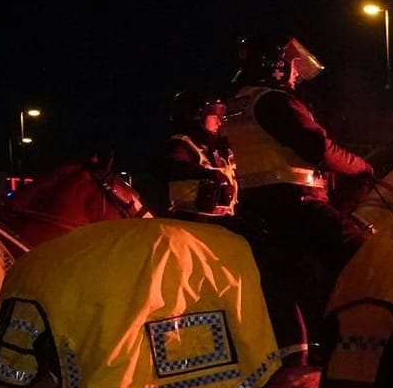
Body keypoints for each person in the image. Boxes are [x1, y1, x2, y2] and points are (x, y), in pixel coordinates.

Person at [225, 35, 375, 335]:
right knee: (363, 253)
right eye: (292, 66)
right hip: (295, 202)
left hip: (254, 206)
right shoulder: (273, 101)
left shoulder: (237, 104)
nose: (295, 74)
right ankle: (354, 331)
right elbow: (319, 148)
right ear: (275, 67)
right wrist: (363, 168)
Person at [158, 90, 237, 222]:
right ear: (195, 117)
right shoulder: (181, 146)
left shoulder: (220, 149)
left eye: (221, 115)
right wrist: (208, 175)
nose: (219, 122)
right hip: (191, 220)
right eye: (214, 116)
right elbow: (177, 168)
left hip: (224, 219)